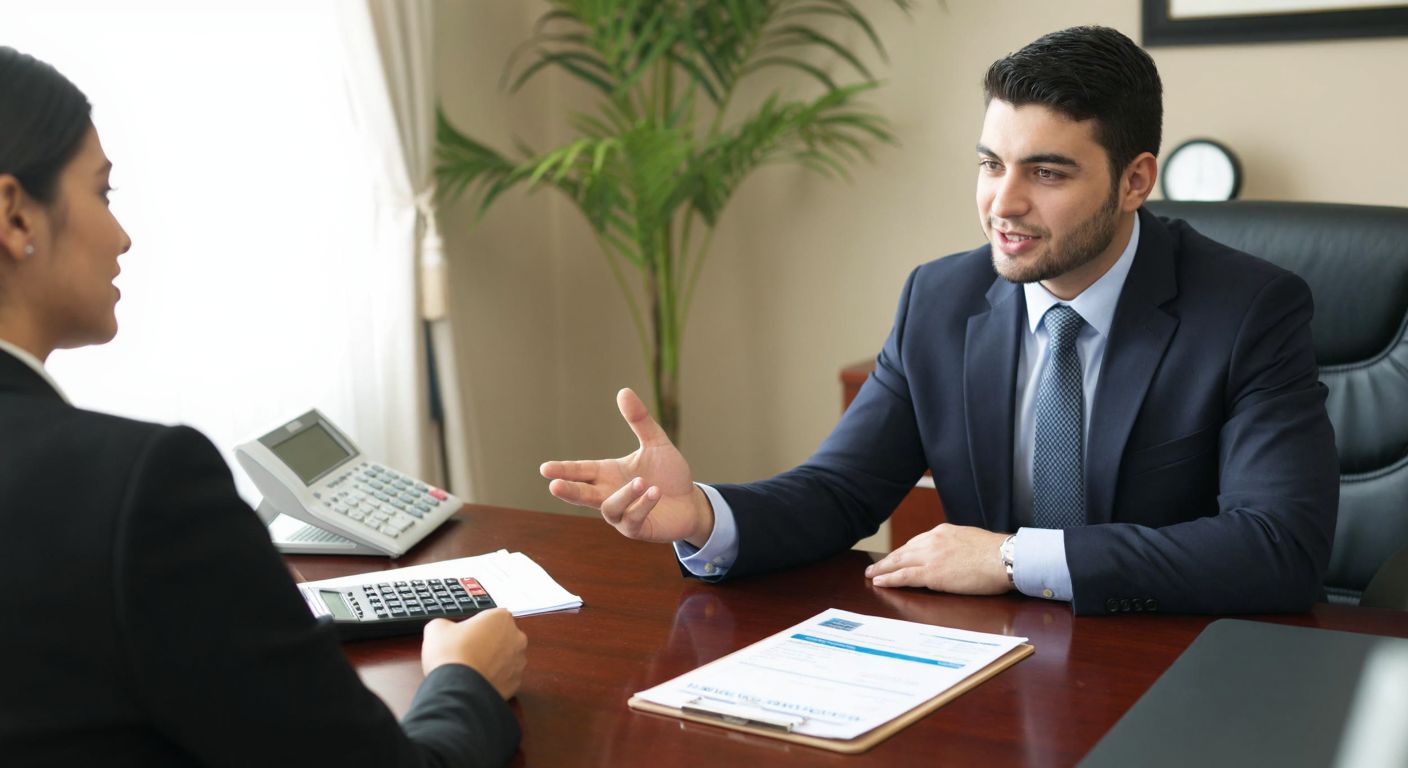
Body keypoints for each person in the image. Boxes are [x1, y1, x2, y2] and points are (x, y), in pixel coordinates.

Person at [540, 26, 1339, 616]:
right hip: (987, 665)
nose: (1004, 203)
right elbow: (840, 492)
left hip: (1172, 672)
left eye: (1047, 172)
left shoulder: (1248, 311)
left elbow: (1278, 550)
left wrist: (1015, 558)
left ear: (1135, 182)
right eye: (991, 164)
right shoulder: (941, 298)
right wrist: (705, 515)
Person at [0, 46, 526, 766]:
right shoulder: (144, 488)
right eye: (104, 193)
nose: (122, 237)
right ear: (15, 216)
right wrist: (467, 681)